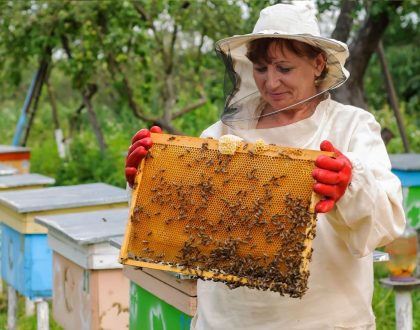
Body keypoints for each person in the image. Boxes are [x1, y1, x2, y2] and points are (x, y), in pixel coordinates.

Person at [125, 4, 405, 329]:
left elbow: (387, 223)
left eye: (284, 68)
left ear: (317, 64)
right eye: (260, 68)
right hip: (227, 321)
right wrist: (145, 182)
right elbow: (177, 229)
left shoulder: (351, 127)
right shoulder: (221, 135)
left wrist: (351, 185)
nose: (271, 82)